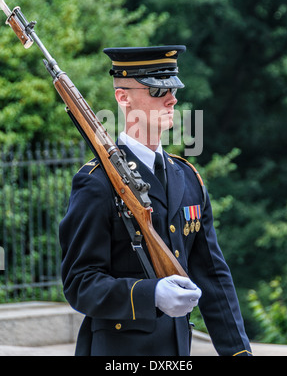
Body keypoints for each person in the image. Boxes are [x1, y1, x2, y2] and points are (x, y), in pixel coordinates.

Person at [59, 45, 252, 356]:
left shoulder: (188, 178)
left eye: (173, 89)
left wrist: (238, 352)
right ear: (123, 98)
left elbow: (213, 275)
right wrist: (150, 295)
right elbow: (80, 283)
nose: (171, 99)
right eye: (158, 90)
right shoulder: (96, 183)